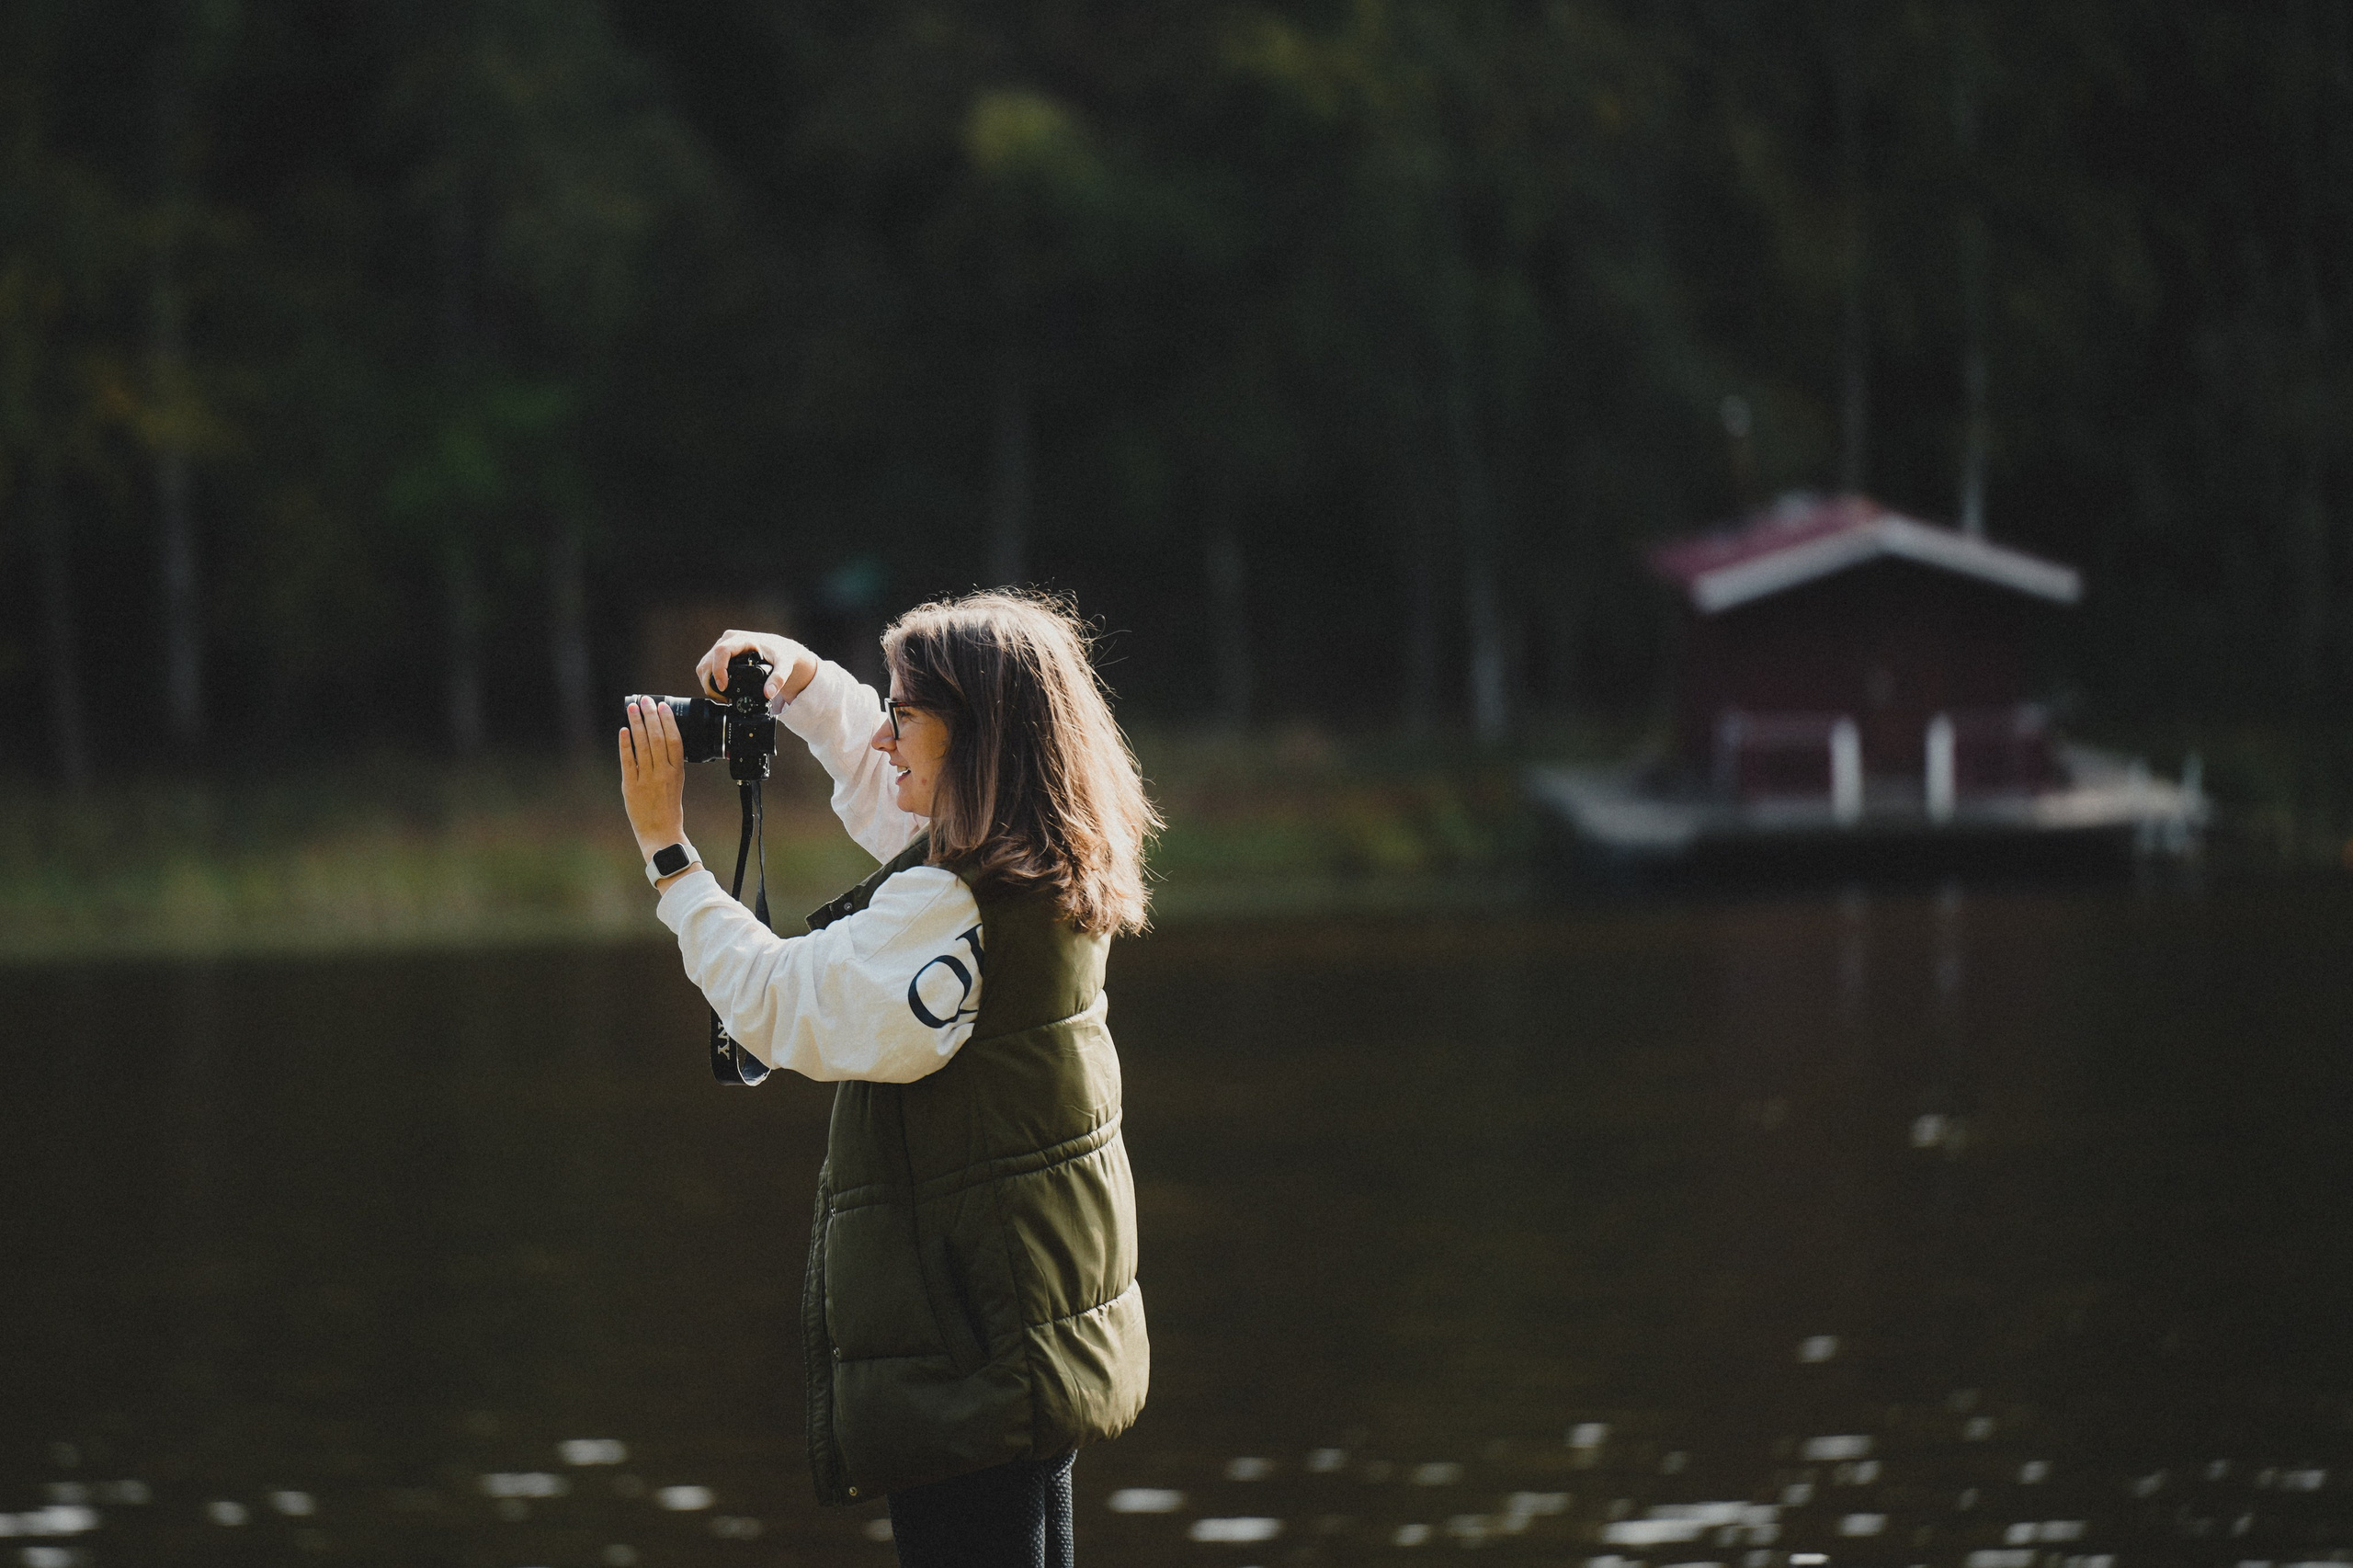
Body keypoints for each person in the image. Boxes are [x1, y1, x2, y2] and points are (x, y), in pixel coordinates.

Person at [615, 589, 1157, 1568]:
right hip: (1020, 1321)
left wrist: (669, 856)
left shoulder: (952, 907)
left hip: (966, 1344)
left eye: (903, 714)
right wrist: (804, 683)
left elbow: (779, 1002)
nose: (882, 735)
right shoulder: (1038, 864)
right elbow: (890, 790)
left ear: (975, 736)